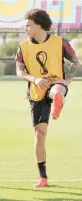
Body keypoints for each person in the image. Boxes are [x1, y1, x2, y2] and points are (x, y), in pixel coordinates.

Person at [16, 9, 80, 188]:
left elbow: (76, 62)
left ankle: (57, 99)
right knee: (40, 133)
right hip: (36, 90)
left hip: (56, 83)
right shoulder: (23, 46)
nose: (25, 28)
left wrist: (66, 80)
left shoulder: (60, 42)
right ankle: (43, 176)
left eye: (28, 25)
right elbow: (19, 70)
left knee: (57, 89)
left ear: (38, 24)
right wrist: (34, 78)